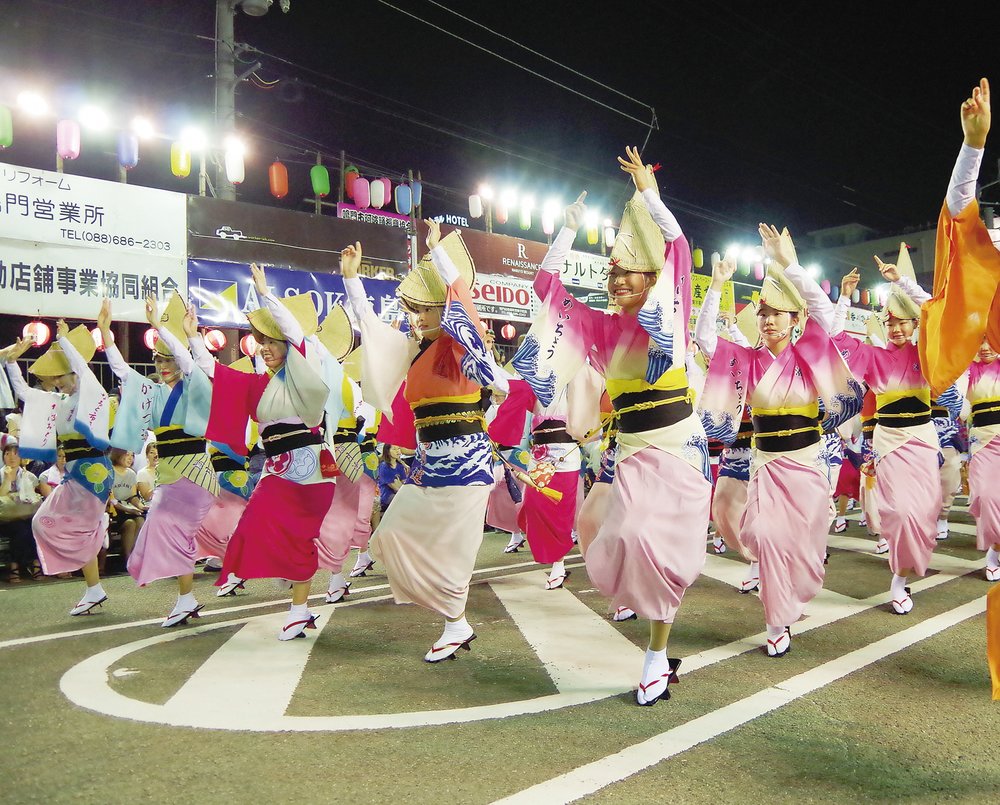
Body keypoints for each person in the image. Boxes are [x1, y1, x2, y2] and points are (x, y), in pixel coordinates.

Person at [514, 148, 711, 705]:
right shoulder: (600, 328)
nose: (616, 280)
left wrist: (649, 192)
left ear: (653, 278)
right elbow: (547, 290)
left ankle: (655, 655)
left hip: (677, 444)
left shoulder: (669, 317)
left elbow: (679, 247)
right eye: (612, 272)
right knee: (617, 535)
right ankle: (651, 634)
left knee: (652, 541)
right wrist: (567, 230)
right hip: (629, 449)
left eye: (627, 272)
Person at [342, 222, 509, 662]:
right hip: (428, 463)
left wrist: (437, 253)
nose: (418, 318)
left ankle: (456, 622)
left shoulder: (457, 345)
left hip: (467, 462)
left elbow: (463, 303)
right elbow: (372, 330)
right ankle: (454, 618)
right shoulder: (412, 351)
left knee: (455, 548)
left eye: (427, 310)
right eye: (413, 310)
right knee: (391, 534)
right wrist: (352, 280)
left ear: (445, 311)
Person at [697, 224, 861, 658]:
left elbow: (825, 314)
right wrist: (716, 286)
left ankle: (792, 594)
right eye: (764, 313)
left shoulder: (809, 353)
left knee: (804, 544)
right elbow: (705, 339)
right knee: (764, 534)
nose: (768, 320)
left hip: (807, 463)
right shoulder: (747, 360)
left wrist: (789, 264)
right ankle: (776, 619)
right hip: (766, 466)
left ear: (794, 319)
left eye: (778, 313)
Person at [198, 266, 336, 641]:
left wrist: (265, 294)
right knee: (253, 528)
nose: (266, 347)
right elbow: (213, 371)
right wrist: (190, 337)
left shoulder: (303, 370)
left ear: (289, 346)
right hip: (276, 471)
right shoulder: (260, 385)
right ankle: (295, 598)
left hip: (309, 470)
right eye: (262, 342)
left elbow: (294, 332)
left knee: (298, 538)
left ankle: (298, 611)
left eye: (273, 341)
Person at [100, 296, 220, 628]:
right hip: (169, 477)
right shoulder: (153, 393)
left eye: (169, 359)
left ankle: (187, 597)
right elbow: (123, 372)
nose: (163, 365)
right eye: (158, 359)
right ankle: (186, 597)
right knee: (170, 532)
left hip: (194, 474)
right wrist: (106, 334)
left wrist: (159, 327)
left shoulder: (195, 385)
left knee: (174, 532)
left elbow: (190, 362)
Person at [1, 322, 113, 614]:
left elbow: (83, 370)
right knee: (43, 521)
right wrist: (12, 362)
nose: (56, 382)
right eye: (54, 378)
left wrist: (63, 340)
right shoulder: (59, 402)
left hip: (94, 472)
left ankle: (94, 588)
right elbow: (24, 392)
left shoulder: (90, 393)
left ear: (74, 372)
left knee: (79, 530)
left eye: (60, 376)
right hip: (73, 474)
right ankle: (94, 586)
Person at [0, 443, 46, 581]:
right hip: (5, 518)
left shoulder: (29, 476)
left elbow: (32, 498)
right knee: (21, 528)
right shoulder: (1, 475)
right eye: (8, 453)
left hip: (26, 516)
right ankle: (33, 563)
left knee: (31, 526)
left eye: (16, 453)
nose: (12, 457)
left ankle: (15, 565)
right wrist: (7, 480)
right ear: (3, 456)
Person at [107, 448, 145, 562]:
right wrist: (129, 510)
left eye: (132, 455)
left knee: (140, 520)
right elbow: (111, 499)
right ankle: (127, 557)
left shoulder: (131, 473)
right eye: (127, 455)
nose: (130, 458)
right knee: (130, 523)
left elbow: (132, 497)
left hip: (128, 508)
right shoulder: (109, 472)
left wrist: (141, 506)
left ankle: (134, 555)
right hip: (114, 510)